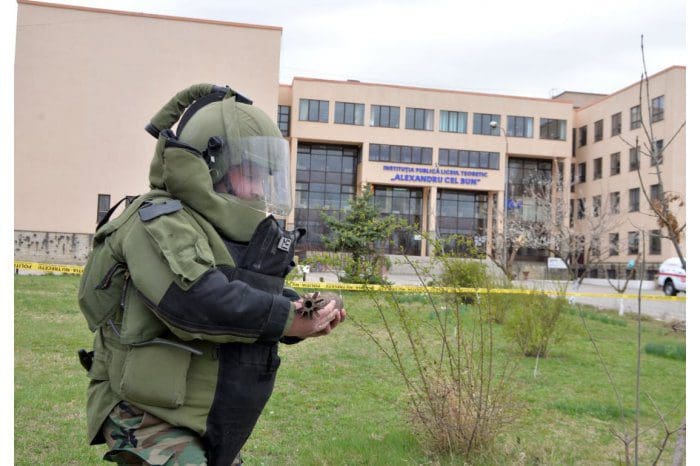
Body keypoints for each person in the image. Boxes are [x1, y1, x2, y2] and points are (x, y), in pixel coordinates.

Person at [77, 84, 346, 465]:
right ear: (212, 167)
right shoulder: (158, 220)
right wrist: (286, 319)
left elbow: (245, 293)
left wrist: (304, 312)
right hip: (141, 409)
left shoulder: (217, 229)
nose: (260, 188)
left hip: (195, 411)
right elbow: (197, 301)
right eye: (250, 173)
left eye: (265, 176)